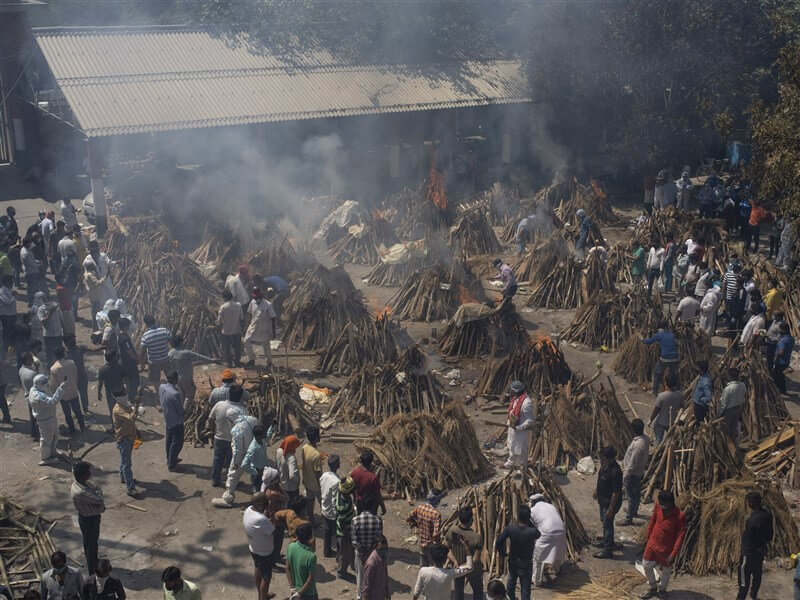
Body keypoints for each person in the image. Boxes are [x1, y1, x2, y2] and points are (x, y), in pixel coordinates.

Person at [639, 490, 686, 599]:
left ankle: (663, 589)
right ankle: (652, 587)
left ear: (670, 503)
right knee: (646, 564)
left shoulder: (679, 516)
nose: (661, 506)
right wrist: (648, 537)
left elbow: (681, 535)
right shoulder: (658, 507)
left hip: (667, 548)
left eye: (663, 504)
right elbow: (652, 521)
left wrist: (674, 553)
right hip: (652, 542)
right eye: (660, 503)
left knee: (666, 570)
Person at [214, 408, 259, 507]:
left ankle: (228, 498)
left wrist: (235, 463)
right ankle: (259, 493)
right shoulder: (253, 419)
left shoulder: (236, 429)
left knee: (233, 475)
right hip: (256, 451)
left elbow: (238, 449)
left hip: (243, 456)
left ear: (230, 419)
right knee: (256, 473)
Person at [207, 383, 249, 487]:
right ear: (240, 397)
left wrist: (213, 432)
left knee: (217, 460)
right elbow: (244, 429)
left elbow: (210, 419)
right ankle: (231, 482)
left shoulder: (219, 405)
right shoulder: (243, 411)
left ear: (228, 394)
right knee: (232, 463)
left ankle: (215, 480)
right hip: (234, 441)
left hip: (219, 438)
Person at [495, 505, 538, 600]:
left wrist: (502, 553)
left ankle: (510, 598)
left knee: (511, 582)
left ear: (518, 516)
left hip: (513, 561)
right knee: (525, 588)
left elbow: (498, 542)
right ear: (529, 517)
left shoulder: (511, 528)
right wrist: (530, 522)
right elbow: (538, 534)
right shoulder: (532, 531)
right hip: (526, 562)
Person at [736, 491, 774, 600]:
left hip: (748, 554)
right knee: (757, 576)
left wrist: (744, 552)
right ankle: (754, 594)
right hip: (760, 552)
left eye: (748, 502)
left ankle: (740, 598)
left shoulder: (751, 520)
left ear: (751, 504)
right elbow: (770, 534)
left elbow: (748, 539)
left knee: (743, 580)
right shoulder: (768, 515)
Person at [70, 461, 105, 575]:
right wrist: (99, 493)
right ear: (83, 475)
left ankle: (94, 561)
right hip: (90, 520)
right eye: (88, 472)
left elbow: (95, 491)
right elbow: (99, 499)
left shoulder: (82, 483)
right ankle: (92, 569)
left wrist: (97, 493)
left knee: (90, 542)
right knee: (91, 544)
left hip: (88, 517)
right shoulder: (81, 492)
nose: (90, 474)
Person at [528, 495, 566, 589]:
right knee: (558, 550)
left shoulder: (533, 510)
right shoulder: (551, 506)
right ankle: (557, 570)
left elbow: (531, 527)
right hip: (561, 530)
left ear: (533, 502)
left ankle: (537, 581)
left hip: (547, 532)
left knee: (538, 557)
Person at [244, 492, 276, 600]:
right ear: (258, 504)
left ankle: (261, 596)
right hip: (265, 552)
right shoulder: (261, 519)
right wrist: (273, 518)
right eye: (265, 504)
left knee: (258, 569)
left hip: (253, 548)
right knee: (266, 578)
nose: (266, 506)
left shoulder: (249, 510)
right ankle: (263, 598)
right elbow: (272, 530)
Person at [29, 374, 67, 466]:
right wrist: (61, 388)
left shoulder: (40, 388)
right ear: (40, 384)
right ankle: (45, 458)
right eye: (45, 383)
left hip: (50, 417)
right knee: (46, 440)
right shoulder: (37, 395)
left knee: (55, 435)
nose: (47, 384)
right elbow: (51, 402)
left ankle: (53, 452)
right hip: (45, 420)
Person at [447, 507, 484, 599]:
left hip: (458, 568)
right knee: (478, 591)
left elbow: (447, 549)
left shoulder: (452, 530)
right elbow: (476, 559)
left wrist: (455, 561)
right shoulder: (476, 537)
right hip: (473, 570)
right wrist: (465, 565)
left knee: (458, 589)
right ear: (471, 520)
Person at [168, 335, 216, 404]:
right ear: (181, 343)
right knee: (190, 396)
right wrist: (212, 360)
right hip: (186, 378)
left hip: (177, 378)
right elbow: (199, 356)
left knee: (183, 395)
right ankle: (185, 412)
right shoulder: (186, 353)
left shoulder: (170, 353)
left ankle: (181, 409)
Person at [593, 446, 622, 559]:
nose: (601, 460)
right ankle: (607, 542)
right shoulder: (604, 466)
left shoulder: (616, 472)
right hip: (602, 499)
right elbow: (600, 478)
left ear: (611, 458)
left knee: (607, 524)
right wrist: (596, 490)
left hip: (609, 503)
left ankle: (607, 550)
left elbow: (616, 492)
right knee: (604, 522)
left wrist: (611, 509)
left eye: (603, 458)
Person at [353, 495, 384, 600]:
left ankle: (359, 596)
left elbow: (354, 540)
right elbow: (378, 539)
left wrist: (362, 552)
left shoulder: (355, 520)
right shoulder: (378, 520)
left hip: (360, 553)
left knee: (360, 576)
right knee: (373, 576)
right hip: (373, 553)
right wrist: (369, 552)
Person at [620, 419, 650, 526]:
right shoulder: (645, 439)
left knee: (631, 496)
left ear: (633, 430)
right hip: (639, 472)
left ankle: (628, 518)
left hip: (632, 474)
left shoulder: (638, 445)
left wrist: (625, 475)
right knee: (636, 494)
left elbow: (633, 462)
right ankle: (634, 511)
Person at [50, 346, 86, 434]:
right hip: (73, 391)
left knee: (67, 413)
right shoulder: (71, 363)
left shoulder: (53, 368)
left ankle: (72, 430)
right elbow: (75, 375)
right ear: (64, 354)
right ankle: (83, 427)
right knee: (78, 411)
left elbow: (54, 384)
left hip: (63, 394)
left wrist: (55, 395)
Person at [112, 389, 139, 497]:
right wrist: (136, 405)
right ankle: (130, 488)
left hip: (129, 437)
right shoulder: (118, 409)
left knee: (124, 461)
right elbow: (132, 418)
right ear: (118, 397)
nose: (126, 395)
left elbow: (131, 422)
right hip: (124, 439)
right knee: (127, 464)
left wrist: (136, 432)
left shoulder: (125, 404)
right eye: (123, 394)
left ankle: (124, 478)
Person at [408, 489, 444, 566]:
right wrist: (438, 545)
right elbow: (436, 534)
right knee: (434, 566)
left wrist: (416, 525)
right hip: (431, 545)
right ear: (437, 500)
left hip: (421, 541)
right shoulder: (436, 514)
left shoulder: (419, 508)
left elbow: (409, 517)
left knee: (424, 565)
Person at [140, 314, 172, 402]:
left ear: (145, 323)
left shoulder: (145, 336)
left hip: (154, 362)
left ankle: (160, 396)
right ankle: (172, 393)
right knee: (170, 378)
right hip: (166, 360)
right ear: (155, 321)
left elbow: (142, 352)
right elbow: (172, 343)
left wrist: (142, 364)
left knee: (156, 380)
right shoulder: (165, 331)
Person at [243, 288, 277, 368]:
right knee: (246, 341)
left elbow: (273, 318)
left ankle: (269, 362)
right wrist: (247, 325)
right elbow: (250, 314)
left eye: (258, 298)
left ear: (261, 296)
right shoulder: (252, 302)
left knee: (266, 345)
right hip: (253, 326)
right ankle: (251, 360)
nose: (256, 299)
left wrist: (273, 332)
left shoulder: (268, 305)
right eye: (255, 298)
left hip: (264, 328)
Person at [159, 371, 186, 471]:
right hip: (176, 421)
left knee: (169, 440)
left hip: (168, 418)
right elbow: (179, 410)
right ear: (175, 380)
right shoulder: (175, 394)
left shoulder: (162, 387)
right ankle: (172, 465)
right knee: (177, 442)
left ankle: (170, 459)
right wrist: (185, 412)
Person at [642, 323, 678, 395]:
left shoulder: (659, 335)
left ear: (660, 329)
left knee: (657, 373)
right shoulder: (672, 335)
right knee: (674, 374)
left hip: (665, 358)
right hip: (675, 358)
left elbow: (648, 341)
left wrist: (642, 339)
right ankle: (676, 390)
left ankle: (654, 392)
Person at [505, 380, 534, 470]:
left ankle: (523, 466)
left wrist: (519, 427)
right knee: (512, 446)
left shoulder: (526, 403)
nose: (511, 392)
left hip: (521, 431)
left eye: (512, 390)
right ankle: (510, 463)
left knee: (522, 450)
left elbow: (530, 420)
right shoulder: (516, 399)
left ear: (516, 391)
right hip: (513, 428)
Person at [287, 523, 317, 600]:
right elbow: (310, 580)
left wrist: (292, 588)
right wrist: (299, 593)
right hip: (309, 593)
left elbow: (287, 568)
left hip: (296, 588)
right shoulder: (311, 556)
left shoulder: (291, 546)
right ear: (310, 537)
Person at [97, 351, 128, 427]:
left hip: (110, 394)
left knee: (113, 411)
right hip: (121, 392)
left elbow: (100, 383)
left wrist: (99, 392)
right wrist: (128, 390)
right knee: (123, 409)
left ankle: (115, 428)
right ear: (114, 358)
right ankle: (125, 426)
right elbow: (126, 380)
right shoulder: (120, 367)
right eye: (116, 356)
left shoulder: (102, 369)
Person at [320, 454, 342, 557]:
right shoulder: (336, 482)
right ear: (337, 465)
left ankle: (326, 550)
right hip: (332, 512)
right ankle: (337, 552)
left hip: (324, 507)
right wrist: (337, 514)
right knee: (337, 532)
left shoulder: (324, 475)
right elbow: (335, 500)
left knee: (327, 531)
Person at [335, 476, 357, 578]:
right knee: (345, 553)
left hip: (345, 529)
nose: (354, 489)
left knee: (345, 550)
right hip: (344, 532)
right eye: (352, 488)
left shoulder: (342, 495)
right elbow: (342, 522)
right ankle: (342, 572)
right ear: (348, 491)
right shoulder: (343, 505)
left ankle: (351, 565)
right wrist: (347, 536)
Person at [83, 240, 116, 305]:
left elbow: (109, 262)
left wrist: (116, 262)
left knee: (111, 295)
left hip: (106, 280)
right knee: (102, 298)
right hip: (97, 281)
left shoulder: (102, 255)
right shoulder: (88, 259)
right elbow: (86, 269)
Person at [218, 288, 243, 367]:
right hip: (236, 330)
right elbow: (241, 318)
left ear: (224, 298)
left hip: (226, 331)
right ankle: (237, 361)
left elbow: (219, 321)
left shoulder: (222, 307)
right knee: (237, 347)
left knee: (227, 348)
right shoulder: (238, 305)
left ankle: (229, 363)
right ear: (231, 297)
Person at [719, 368, 746, 443]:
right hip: (738, 408)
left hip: (729, 410)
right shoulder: (742, 385)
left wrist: (719, 412)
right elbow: (743, 396)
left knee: (726, 429)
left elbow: (723, 404)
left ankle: (728, 445)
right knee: (734, 427)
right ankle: (734, 442)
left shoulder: (728, 389)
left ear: (730, 376)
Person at [241, 425, 269, 493]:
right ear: (259, 436)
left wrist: (273, 426)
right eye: (264, 433)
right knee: (258, 491)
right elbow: (244, 465)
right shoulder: (253, 448)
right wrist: (255, 472)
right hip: (257, 474)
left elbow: (268, 436)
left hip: (263, 470)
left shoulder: (261, 441)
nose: (266, 434)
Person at [37, 298, 63, 370]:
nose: (48, 305)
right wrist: (50, 312)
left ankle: (59, 367)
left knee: (59, 352)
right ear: (43, 302)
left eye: (49, 303)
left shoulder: (56, 306)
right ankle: (50, 368)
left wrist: (64, 329)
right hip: (48, 335)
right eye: (46, 303)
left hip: (58, 333)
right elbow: (43, 322)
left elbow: (61, 318)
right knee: (49, 352)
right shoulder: (41, 309)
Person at [362, 535, 390, 600]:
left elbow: (385, 576)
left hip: (381, 595)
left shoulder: (383, 557)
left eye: (386, 548)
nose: (384, 551)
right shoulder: (371, 563)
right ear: (376, 547)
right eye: (382, 549)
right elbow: (366, 584)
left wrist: (387, 593)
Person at [19, 352, 40, 440]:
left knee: (32, 417)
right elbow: (38, 385)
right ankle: (39, 435)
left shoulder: (21, 370)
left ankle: (34, 434)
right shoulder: (32, 374)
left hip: (27, 396)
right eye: (31, 358)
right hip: (34, 397)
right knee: (38, 418)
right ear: (27, 360)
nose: (32, 359)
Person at [83, 263, 108, 329]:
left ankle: (94, 325)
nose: (94, 267)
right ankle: (96, 326)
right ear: (90, 267)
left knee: (93, 311)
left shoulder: (85, 273)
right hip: (95, 295)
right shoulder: (90, 275)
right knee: (96, 311)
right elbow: (97, 283)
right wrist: (106, 277)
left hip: (92, 294)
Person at [773, 322, 794, 394]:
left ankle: (778, 391)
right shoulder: (791, 339)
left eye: (780, 329)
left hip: (780, 362)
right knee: (782, 377)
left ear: (783, 330)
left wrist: (775, 359)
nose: (778, 330)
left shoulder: (782, 341)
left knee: (778, 377)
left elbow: (781, 352)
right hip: (786, 361)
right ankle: (783, 391)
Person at [21, 238, 42, 306]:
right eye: (30, 243)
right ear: (27, 244)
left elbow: (31, 260)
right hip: (31, 272)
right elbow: (31, 264)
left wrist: (36, 261)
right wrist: (39, 264)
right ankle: (31, 302)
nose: (31, 244)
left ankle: (33, 301)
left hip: (29, 271)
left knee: (31, 288)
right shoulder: (26, 253)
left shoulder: (24, 250)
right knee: (31, 289)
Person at [0, 275, 16, 348]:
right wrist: (14, 296)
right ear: (6, 282)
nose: (12, 282)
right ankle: (6, 347)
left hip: (12, 313)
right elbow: (7, 301)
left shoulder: (9, 289)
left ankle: (12, 346)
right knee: (6, 332)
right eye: (11, 281)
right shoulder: (2, 291)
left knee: (12, 331)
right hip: (6, 315)